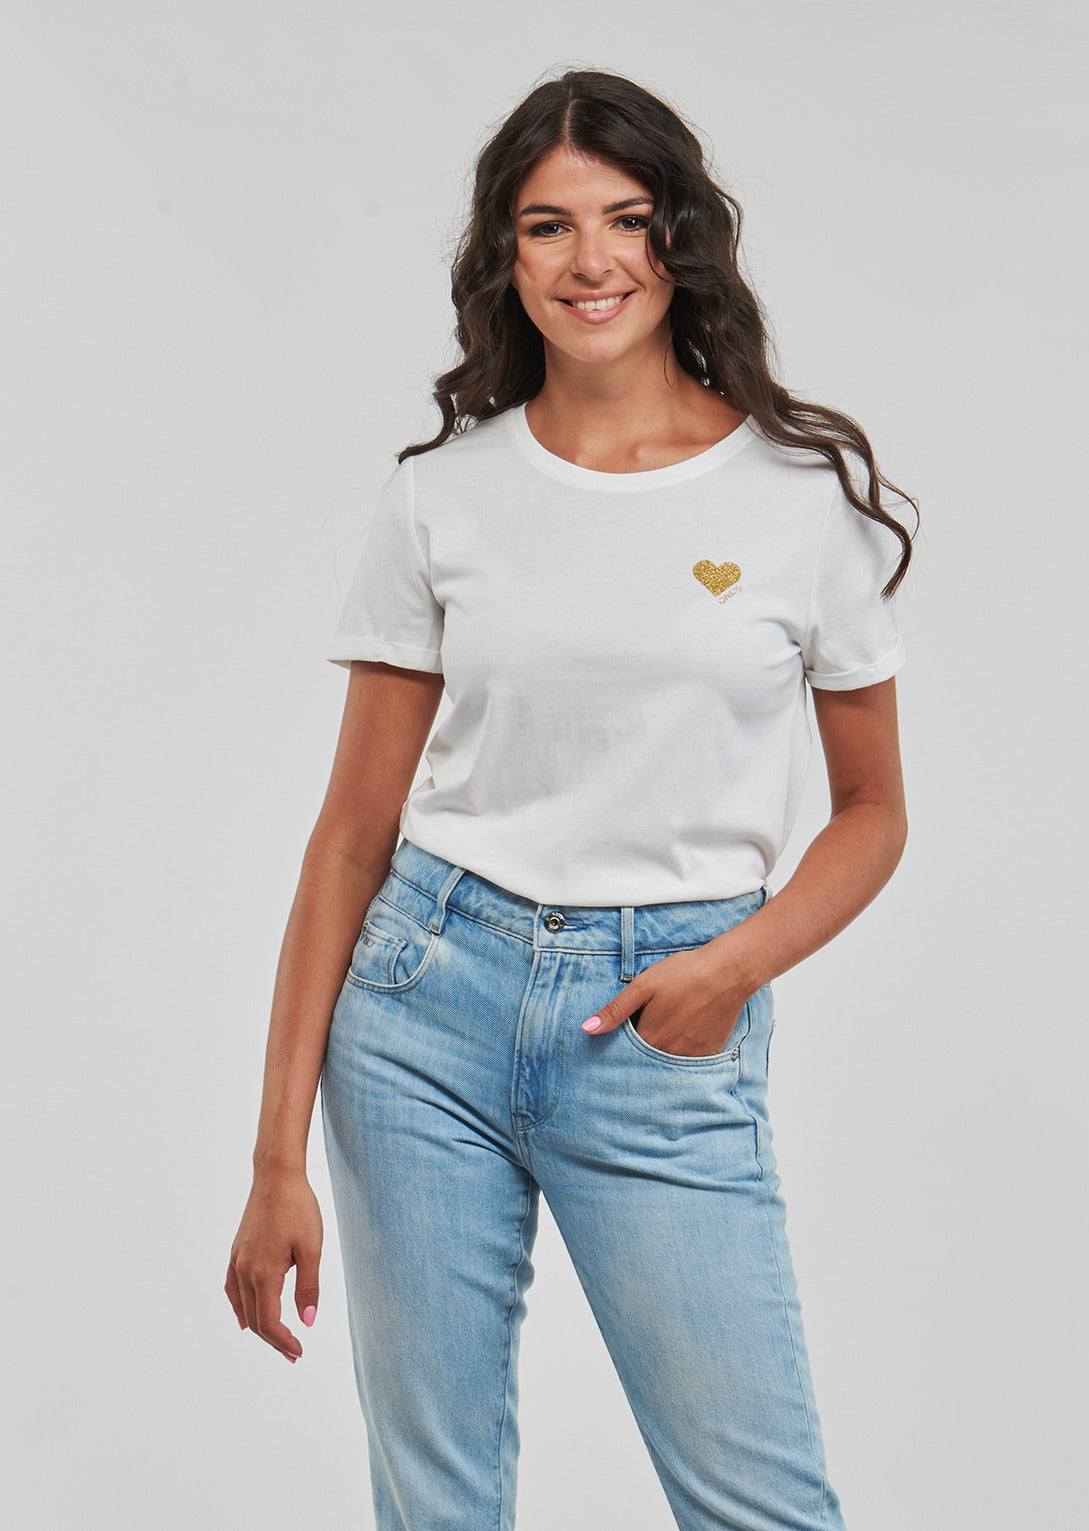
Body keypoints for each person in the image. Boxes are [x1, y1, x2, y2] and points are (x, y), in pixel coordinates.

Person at [226, 66, 917, 1531]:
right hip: (421, 1007)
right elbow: (350, 838)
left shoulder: (800, 500)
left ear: (681, 238)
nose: (591, 260)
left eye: (627, 218)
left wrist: (732, 968)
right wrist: (276, 1155)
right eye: (548, 226)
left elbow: (873, 812)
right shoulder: (442, 497)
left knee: (760, 1505)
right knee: (436, 1504)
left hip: (662, 1018)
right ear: (506, 255)